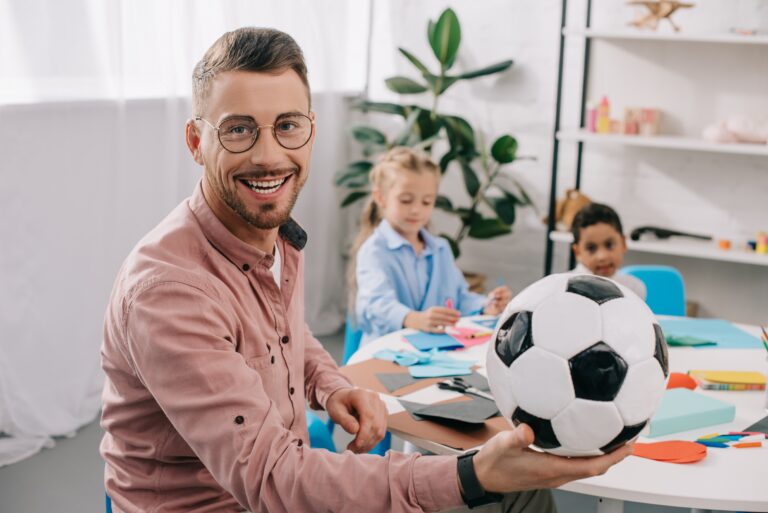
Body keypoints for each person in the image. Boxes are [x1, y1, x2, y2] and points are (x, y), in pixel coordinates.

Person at [100, 27, 632, 513]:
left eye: (287, 126)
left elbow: (285, 334)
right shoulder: (169, 292)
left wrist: (331, 387)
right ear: (197, 142)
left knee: (523, 494)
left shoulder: (270, 234)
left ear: (311, 130)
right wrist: (472, 476)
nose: (268, 155)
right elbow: (274, 479)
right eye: (238, 130)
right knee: (505, 494)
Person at [351, 147, 513, 346]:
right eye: (406, 200)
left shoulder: (441, 249)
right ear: (380, 198)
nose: (416, 210)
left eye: (427, 202)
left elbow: (459, 297)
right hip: (387, 351)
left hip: (432, 353)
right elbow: (374, 305)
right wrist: (412, 318)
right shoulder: (374, 251)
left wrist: (486, 306)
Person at [570, 203, 647, 299]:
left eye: (609, 245)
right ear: (578, 252)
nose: (602, 256)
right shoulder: (566, 290)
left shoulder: (635, 289)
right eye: (591, 248)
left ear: (623, 243)